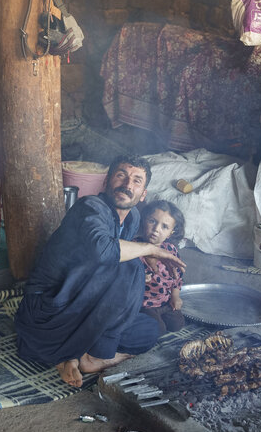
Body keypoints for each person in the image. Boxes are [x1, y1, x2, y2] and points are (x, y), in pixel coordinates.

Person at [14, 155, 186, 388]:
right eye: (121, 176)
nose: (127, 185)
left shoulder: (133, 217)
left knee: (150, 330)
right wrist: (148, 249)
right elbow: (103, 251)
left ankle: (74, 353)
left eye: (136, 181)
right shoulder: (90, 208)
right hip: (51, 307)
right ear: (106, 182)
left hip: (87, 306)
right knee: (131, 267)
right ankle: (93, 356)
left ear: (143, 194)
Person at [137, 200, 186, 335]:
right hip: (144, 305)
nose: (156, 229)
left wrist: (175, 297)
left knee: (178, 324)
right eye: (152, 221)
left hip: (164, 302)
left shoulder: (170, 250)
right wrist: (139, 278)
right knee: (158, 330)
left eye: (164, 226)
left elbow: (177, 279)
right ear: (144, 220)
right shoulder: (135, 248)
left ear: (171, 232)